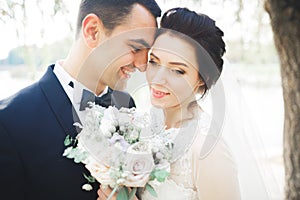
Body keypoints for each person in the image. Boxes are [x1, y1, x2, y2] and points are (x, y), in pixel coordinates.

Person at [0, 0, 161, 199]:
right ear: (92, 31)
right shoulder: (8, 122)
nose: (142, 65)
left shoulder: (126, 105)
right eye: (136, 48)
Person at [98, 7, 242, 200]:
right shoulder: (142, 126)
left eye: (177, 71)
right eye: (154, 62)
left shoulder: (207, 149)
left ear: (202, 78)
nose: (157, 78)